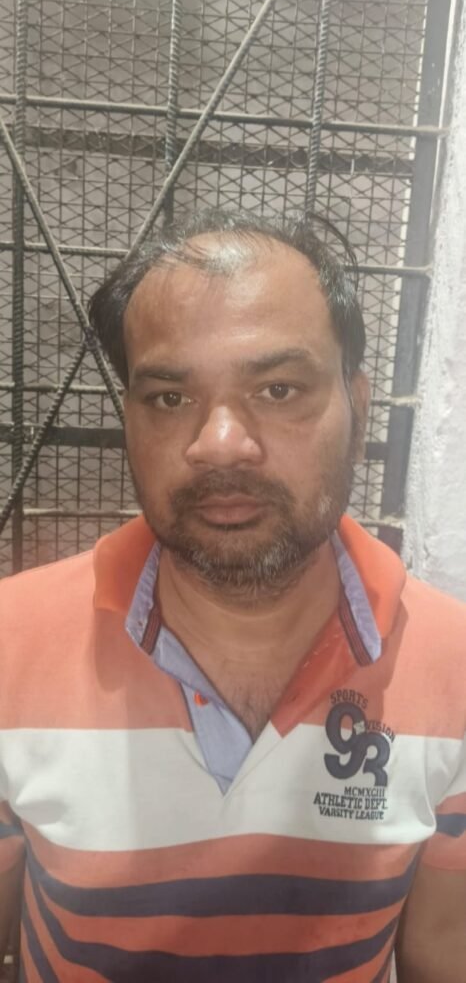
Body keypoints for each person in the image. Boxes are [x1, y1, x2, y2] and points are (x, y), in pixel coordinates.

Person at [0, 210, 465, 983]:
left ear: (357, 409)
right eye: (169, 398)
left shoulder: (455, 668)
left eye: (278, 389)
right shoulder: (8, 646)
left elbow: (443, 958)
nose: (219, 444)